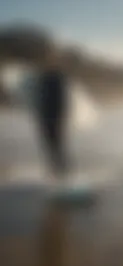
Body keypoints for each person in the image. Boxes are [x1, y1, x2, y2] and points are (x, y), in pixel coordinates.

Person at [35, 49, 70, 182]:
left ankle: (63, 169)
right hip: (44, 116)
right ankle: (53, 168)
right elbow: (38, 97)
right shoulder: (42, 77)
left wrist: (62, 115)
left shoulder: (58, 77)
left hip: (55, 115)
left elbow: (63, 98)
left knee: (58, 143)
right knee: (48, 143)